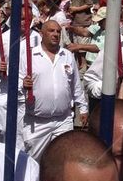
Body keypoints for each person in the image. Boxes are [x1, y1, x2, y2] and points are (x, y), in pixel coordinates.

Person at [20, 18, 87, 159]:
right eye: (51, 31)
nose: (56, 34)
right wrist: (22, 84)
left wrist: (83, 108)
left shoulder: (67, 55)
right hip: (37, 123)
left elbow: (75, 85)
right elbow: (16, 84)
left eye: (58, 31)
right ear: (42, 33)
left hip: (63, 120)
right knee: (33, 162)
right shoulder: (28, 56)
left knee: (63, 160)